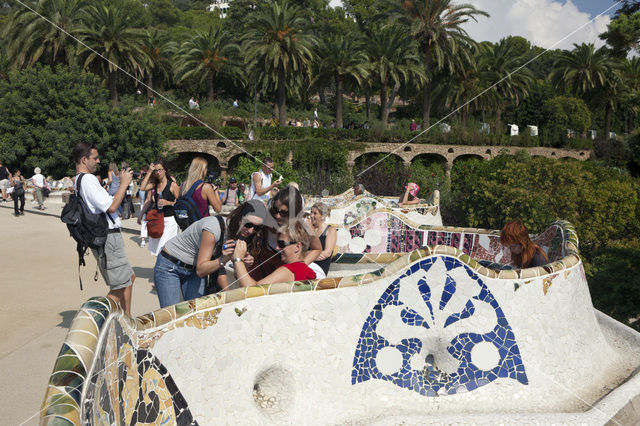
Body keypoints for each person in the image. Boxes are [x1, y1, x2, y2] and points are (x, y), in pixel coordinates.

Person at [153, 200, 267, 307]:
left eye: (257, 227)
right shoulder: (213, 228)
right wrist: (224, 258)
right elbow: (202, 270)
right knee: (172, 315)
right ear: (239, 218)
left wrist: (243, 263)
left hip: (194, 269)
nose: (251, 230)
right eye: (248, 224)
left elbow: (232, 272)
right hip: (170, 265)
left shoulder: (246, 235)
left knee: (195, 313)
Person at [72, 141, 135, 316]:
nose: (98, 161)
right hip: (109, 237)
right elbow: (112, 207)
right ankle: (96, 318)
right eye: (95, 158)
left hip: (102, 236)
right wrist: (123, 183)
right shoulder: (89, 180)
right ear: (84, 160)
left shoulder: (78, 181)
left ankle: (126, 319)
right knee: (120, 286)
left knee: (128, 278)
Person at [247, 186, 322, 280]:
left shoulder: (304, 224)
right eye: (275, 209)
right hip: (262, 266)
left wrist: (297, 266)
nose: (277, 215)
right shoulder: (267, 219)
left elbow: (317, 249)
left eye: (283, 212)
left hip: (285, 272)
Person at [232, 219, 316, 288]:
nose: (277, 248)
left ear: (297, 247)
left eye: (281, 244)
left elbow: (252, 290)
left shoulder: (289, 270)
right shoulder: (307, 271)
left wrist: (238, 259)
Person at [139, 159, 180, 256]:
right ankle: (160, 269)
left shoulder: (172, 185)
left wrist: (168, 202)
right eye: (156, 171)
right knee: (157, 249)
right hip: (158, 220)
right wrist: (149, 171)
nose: (158, 172)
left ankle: (162, 269)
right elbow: (142, 188)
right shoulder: (155, 185)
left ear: (165, 170)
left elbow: (179, 203)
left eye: (160, 170)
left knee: (164, 249)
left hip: (170, 220)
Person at [309, 202, 337, 276]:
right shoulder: (309, 229)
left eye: (315, 213)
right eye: (311, 212)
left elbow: (326, 253)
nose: (311, 215)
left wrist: (307, 256)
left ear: (322, 216)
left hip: (318, 268)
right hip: (307, 264)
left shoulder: (330, 230)